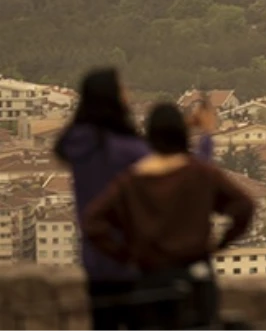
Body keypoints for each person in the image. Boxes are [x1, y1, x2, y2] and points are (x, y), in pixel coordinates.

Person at [53, 69, 217, 331]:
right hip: (133, 259)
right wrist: (206, 137)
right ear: (112, 98)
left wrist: (177, 126)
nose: (127, 94)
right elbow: (180, 176)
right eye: (122, 90)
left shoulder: (78, 143)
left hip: (95, 258)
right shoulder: (126, 150)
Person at [82, 102, 251, 330]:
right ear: (181, 134)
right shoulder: (200, 173)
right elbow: (244, 206)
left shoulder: (131, 181)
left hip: (149, 281)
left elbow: (93, 222)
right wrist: (219, 244)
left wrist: (126, 255)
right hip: (194, 276)